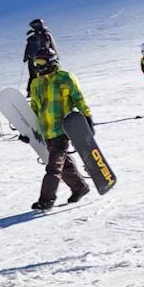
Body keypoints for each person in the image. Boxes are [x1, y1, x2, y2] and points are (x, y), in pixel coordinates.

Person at [26, 53, 92, 211]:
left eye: (41, 62)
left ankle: (46, 200)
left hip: (63, 129)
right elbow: (34, 107)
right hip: (46, 130)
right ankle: (80, 187)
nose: (39, 66)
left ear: (51, 62)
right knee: (64, 164)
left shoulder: (65, 78)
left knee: (53, 167)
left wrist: (87, 118)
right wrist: (28, 130)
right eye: (36, 63)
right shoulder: (35, 83)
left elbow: (79, 98)